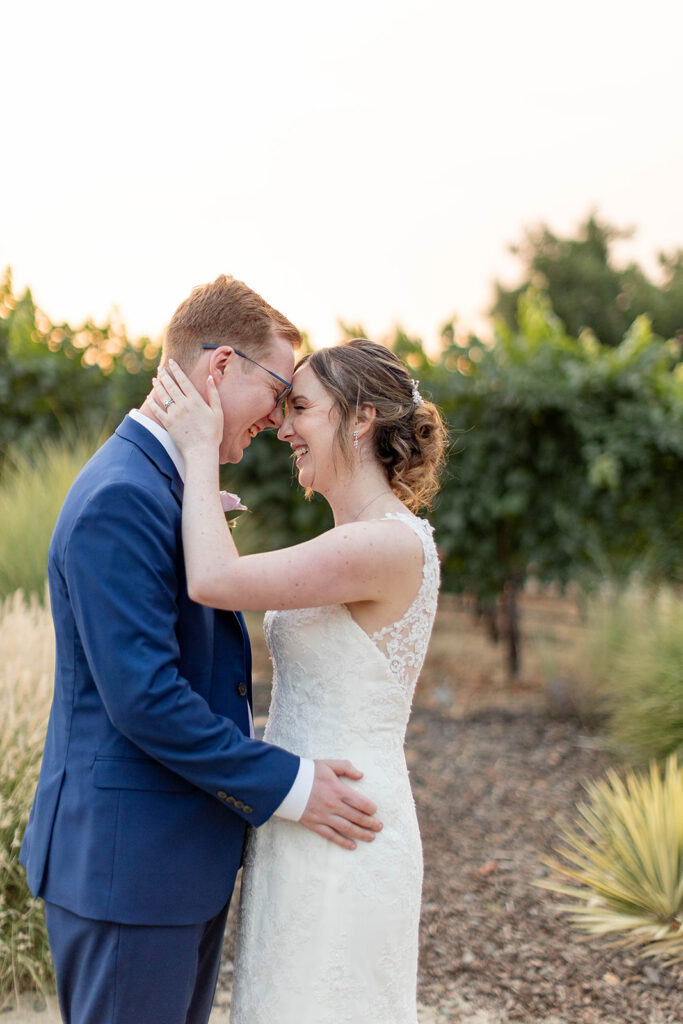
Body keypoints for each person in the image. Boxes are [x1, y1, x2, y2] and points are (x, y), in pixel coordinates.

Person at [19, 276, 381, 1024]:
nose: (279, 421)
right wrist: (293, 786)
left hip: (173, 867)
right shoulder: (124, 495)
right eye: (279, 392)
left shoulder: (165, 484)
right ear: (220, 370)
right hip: (129, 873)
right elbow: (144, 699)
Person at [151, 337, 447, 1024]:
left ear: (361, 417)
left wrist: (198, 451)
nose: (283, 428)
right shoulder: (349, 538)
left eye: (301, 408)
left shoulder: (383, 543)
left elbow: (214, 580)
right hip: (300, 813)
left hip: (345, 821)